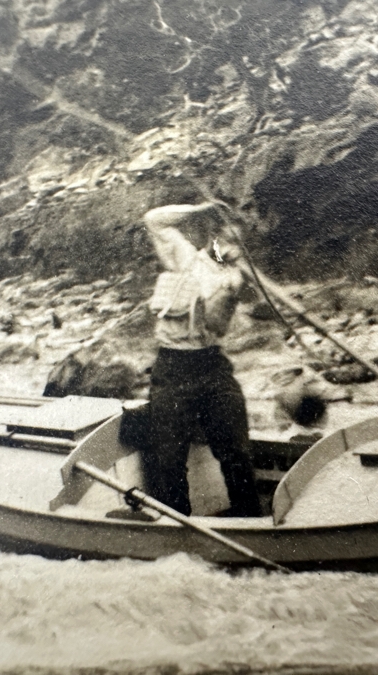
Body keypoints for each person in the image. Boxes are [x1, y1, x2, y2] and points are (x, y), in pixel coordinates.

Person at [140, 201, 262, 517]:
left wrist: (233, 289)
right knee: (169, 455)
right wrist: (201, 208)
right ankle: (177, 522)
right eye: (226, 239)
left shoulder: (235, 278)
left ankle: (247, 517)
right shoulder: (184, 257)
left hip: (212, 365)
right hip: (173, 367)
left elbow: (217, 324)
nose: (231, 248)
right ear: (212, 237)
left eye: (238, 243)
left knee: (235, 449)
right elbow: (154, 219)